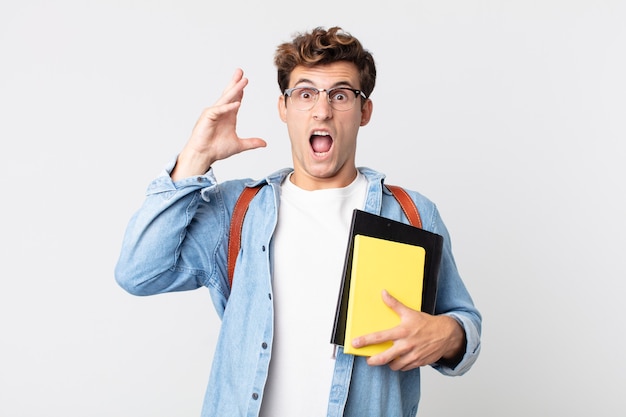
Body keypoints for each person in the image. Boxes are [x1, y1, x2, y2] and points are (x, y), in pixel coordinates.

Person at [115, 26, 482, 417]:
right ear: (284, 108)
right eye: (305, 94)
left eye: (340, 95)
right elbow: (139, 272)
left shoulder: (411, 214)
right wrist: (194, 158)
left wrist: (449, 335)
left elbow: (463, 323)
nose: (322, 110)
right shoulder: (237, 210)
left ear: (365, 111)